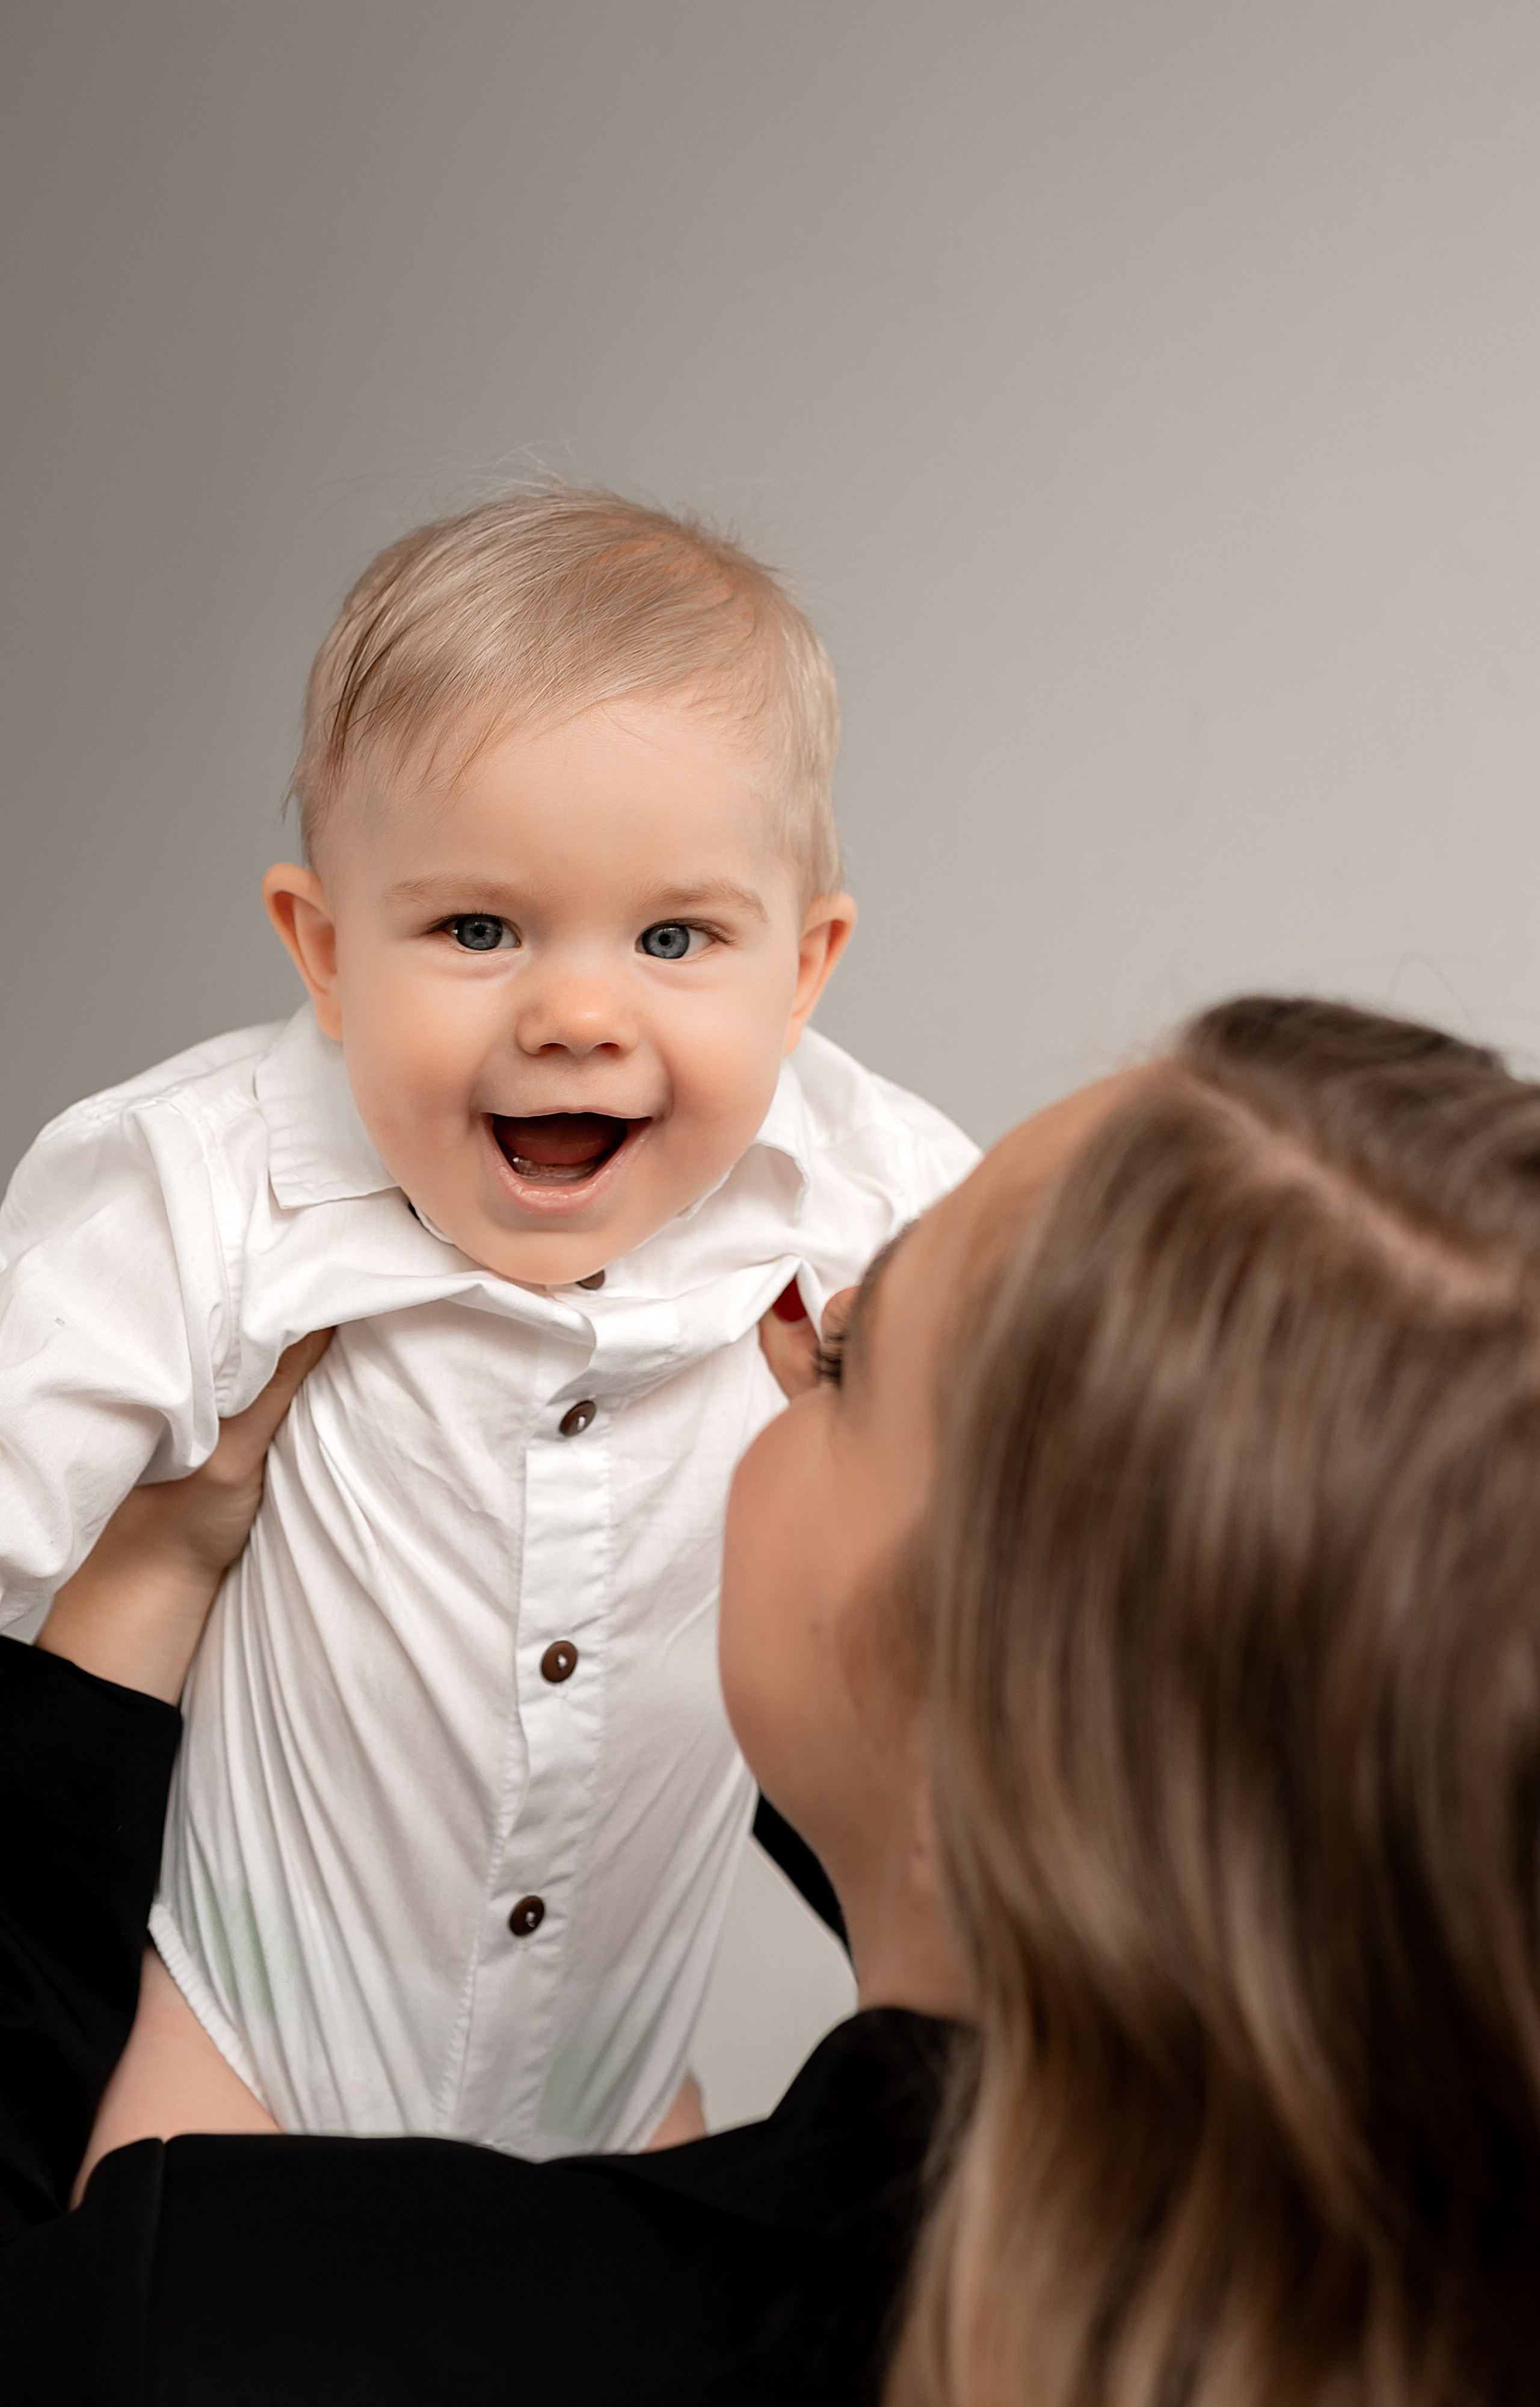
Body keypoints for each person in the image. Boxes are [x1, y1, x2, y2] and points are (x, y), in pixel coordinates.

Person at [8, 991, 1539, 2407]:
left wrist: (132, 1604)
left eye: (859, 1363)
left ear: (982, 1741)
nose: (800, 1328)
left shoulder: (235, 2315)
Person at [0, 487, 976, 2174]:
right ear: (321, 947)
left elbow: (1068, 1478)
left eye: (676, 937)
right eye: (478, 929)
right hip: (244, 2052)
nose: (578, 1014)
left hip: (611, 2085)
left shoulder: (860, 1194)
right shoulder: (206, 1190)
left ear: (805, 966)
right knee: (135, 2320)